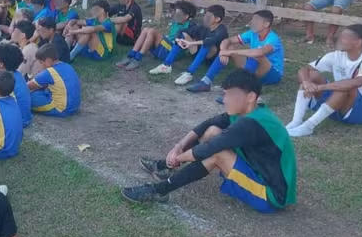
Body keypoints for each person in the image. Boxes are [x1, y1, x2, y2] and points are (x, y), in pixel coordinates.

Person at [120, 69, 297, 212]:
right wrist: (178, 146)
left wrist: (177, 158)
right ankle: (164, 168)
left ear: (250, 97)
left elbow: (208, 149)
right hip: (257, 171)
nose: (225, 100)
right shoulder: (250, 111)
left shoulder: (252, 123)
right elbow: (208, 124)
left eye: (230, 95)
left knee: (217, 154)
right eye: (225, 94)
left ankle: (159, 190)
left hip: (270, 195)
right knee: (213, 131)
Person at [286, 24, 362, 137]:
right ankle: (296, 121)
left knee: (346, 87)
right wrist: (306, 82)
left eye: (344, 37)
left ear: (358, 42)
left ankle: (308, 127)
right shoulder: (336, 55)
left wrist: (321, 87)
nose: (339, 39)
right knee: (311, 75)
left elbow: (357, 82)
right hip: (337, 104)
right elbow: (304, 69)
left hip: (361, 112)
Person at [186, 10, 284, 95]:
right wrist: (224, 51)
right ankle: (205, 82)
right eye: (252, 20)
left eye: (256, 21)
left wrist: (231, 52)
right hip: (254, 68)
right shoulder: (252, 33)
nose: (252, 23)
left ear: (266, 24)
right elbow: (227, 40)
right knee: (229, 47)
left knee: (257, 55)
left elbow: (260, 52)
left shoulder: (273, 39)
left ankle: (239, 89)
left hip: (272, 74)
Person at [115, 1, 196, 71]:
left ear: (186, 16)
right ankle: (131, 55)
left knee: (152, 31)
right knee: (146, 29)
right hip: (167, 46)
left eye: (178, 14)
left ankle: (137, 58)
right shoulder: (177, 22)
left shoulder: (190, 26)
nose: (175, 15)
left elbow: (191, 45)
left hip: (173, 51)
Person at [163, 4, 230, 83]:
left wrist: (191, 43)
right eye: (205, 15)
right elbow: (182, 31)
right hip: (198, 52)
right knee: (183, 34)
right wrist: (178, 39)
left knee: (207, 43)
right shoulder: (203, 27)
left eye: (208, 16)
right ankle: (166, 65)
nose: (205, 18)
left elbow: (211, 41)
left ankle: (189, 73)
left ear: (217, 19)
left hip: (212, 57)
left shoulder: (222, 30)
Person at [28, 43, 82, 118]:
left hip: (62, 109)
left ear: (48, 60)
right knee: (39, 92)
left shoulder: (49, 72)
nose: (41, 65)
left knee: (26, 98)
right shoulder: (67, 65)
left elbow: (27, 86)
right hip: (74, 106)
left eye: (41, 62)